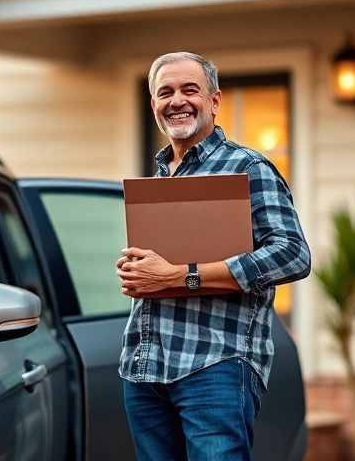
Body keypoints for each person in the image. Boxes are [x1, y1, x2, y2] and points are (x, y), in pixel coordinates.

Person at [116, 52, 311, 461]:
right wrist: (138, 271)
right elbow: (163, 269)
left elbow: (293, 254)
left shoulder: (248, 167)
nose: (177, 101)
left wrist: (179, 275)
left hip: (215, 366)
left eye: (190, 90)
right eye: (164, 92)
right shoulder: (159, 176)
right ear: (153, 105)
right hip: (145, 368)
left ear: (215, 100)